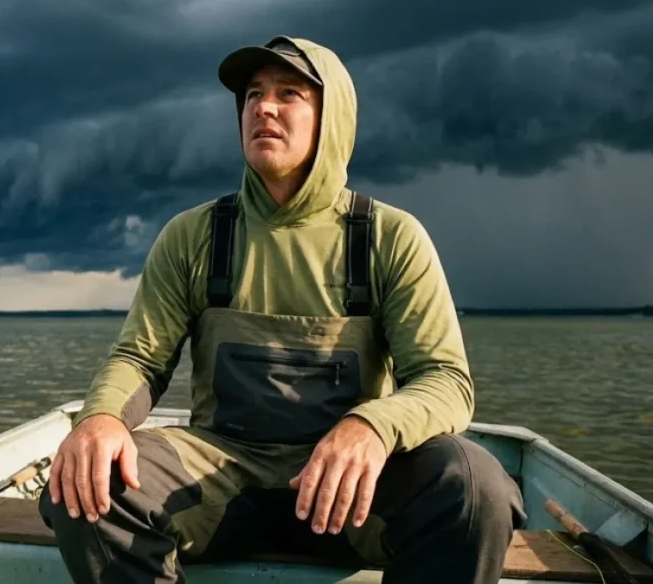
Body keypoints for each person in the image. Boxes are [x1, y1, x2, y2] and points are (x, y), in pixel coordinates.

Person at [39, 36, 526, 583]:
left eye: (288, 93)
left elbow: (444, 380)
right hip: (222, 479)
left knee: (475, 486)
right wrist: (100, 418)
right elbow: (141, 358)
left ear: (332, 118)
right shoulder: (193, 235)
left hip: (352, 495)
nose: (263, 107)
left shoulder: (390, 237)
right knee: (84, 484)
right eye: (252, 94)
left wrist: (370, 426)